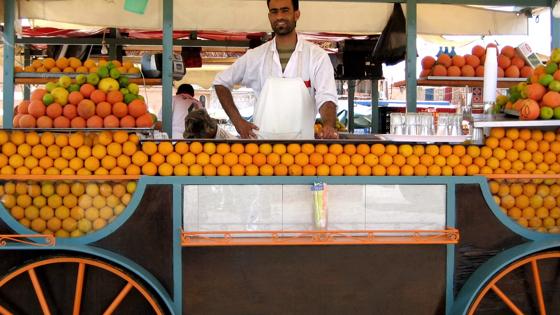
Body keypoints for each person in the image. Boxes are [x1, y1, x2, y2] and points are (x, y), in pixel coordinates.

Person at [213, 0, 338, 139]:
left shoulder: (317, 57)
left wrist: (328, 124)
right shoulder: (255, 56)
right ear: (269, 16)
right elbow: (220, 82)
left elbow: (326, 97)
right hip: (263, 149)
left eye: (285, 10)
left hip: (303, 150)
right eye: (274, 11)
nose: (279, 16)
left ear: (297, 14)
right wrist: (238, 121)